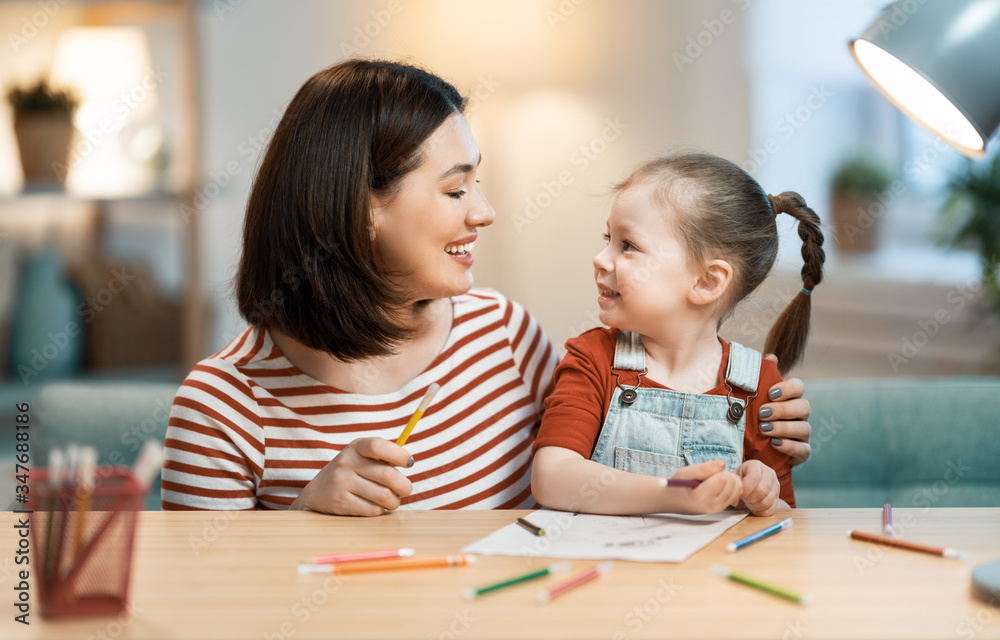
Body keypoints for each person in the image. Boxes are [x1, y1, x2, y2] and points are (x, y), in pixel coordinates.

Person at [161, 60, 813, 515]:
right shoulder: (222, 408)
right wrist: (304, 513)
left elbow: (620, 424)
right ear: (360, 207)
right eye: (455, 189)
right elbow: (206, 611)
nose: (484, 211)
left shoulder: (501, 333)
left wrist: (768, 428)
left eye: (477, 182)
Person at [531, 151, 825, 517]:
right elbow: (551, 476)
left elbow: (784, 517)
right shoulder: (592, 357)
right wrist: (669, 494)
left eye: (628, 245)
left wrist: (762, 492)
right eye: (609, 237)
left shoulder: (758, 385)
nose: (600, 258)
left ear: (706, 281)